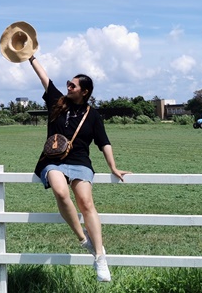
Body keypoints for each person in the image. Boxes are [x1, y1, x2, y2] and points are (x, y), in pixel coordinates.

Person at [28, 54, 131, 283]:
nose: (68, 86)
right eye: (68, 83)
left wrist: (113, 167)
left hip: (80, 162)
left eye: (73, 85)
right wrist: (30, 56)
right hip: (52, 160)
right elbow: (44, 77)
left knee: (86, 203)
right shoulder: (56, 101)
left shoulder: (92, 115)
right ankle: (83, 239)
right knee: (61, 191)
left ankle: (100, 256)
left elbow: (103, 142)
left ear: (84, 91)